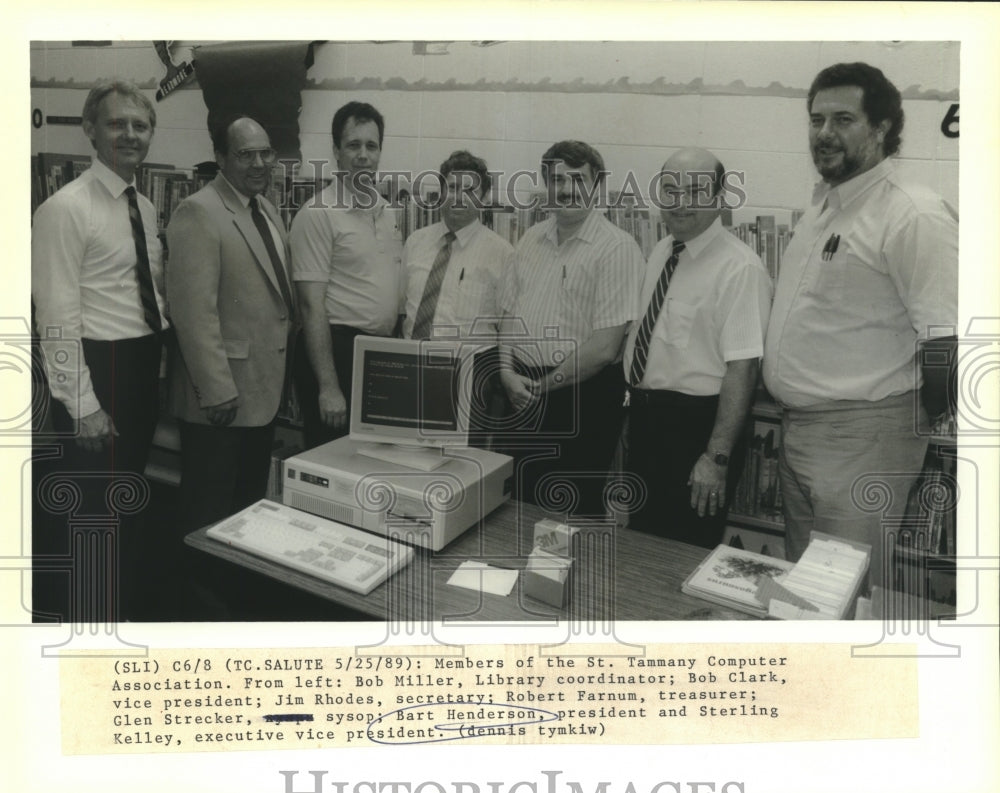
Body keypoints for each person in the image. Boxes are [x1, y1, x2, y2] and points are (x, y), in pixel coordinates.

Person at [762, 62, 958, 584]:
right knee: (808, 594)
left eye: (843, 119)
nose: (824, 134)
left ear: (882, 129)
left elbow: (946, 341)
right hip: (802, 432)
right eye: (816, 119)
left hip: (863, 438)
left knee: (847, 593)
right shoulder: (826, 207)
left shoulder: (912, 213)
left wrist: (895, 424)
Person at [31, 79, 169, 621]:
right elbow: (57, 320)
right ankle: (77, 627)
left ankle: (113, 614)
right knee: (89, 516)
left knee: (125, 506)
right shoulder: (64, 210)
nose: (130, 135)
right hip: (96, 375)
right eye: (117, 124)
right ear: (91, 130)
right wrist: (83, 406)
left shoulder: (146, 206)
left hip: (138, 371)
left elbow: (144, 292)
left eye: (140, 125)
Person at [622, 148, 772, 548]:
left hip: (697, 433)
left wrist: (716, 458)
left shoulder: (740, 269)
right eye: (670, 190)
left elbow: (743, 369)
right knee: (642, 544)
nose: (680, 202)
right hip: (647, 420)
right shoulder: (661, 251)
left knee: (683, 551)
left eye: (695, 191)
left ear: (720, 198)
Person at [498, 140, 644, 518]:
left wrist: (540, 387)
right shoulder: (531, 238)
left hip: (582, 399)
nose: (565, 189)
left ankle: (567, 579)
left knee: (568, 514)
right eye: (556, 179)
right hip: (519, 390)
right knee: (511, 503)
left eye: (577, 179)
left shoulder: (618, 248)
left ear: (597, 186)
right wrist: (505, 372)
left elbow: (606, 348)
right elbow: (508, 315)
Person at [166, 115, 295, 534]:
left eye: (265, 153)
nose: (259, 163)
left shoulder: (267, 210)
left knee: (245, 517)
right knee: (208, 517)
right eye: (245, 154)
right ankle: (200, 599)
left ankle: (232, 595)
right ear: (221, 158)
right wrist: (217, 391)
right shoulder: (199, 212)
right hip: (221, 404)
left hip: (261, 395)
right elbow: (192, 313)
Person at [290, 101, 402, 449]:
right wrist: (328, 385)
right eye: (353, 145)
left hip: (378, 353)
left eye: (371, 145)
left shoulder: (385, 211)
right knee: (332, 466)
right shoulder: (317, 214)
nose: (363, 155)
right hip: (336, 354)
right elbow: (310, 307)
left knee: (370, 461)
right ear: (336, 151)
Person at [401, 150, 513, 341]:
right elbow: (402, 310)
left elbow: (507, 329)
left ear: (484, 198)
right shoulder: (415, 242)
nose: (459, 197)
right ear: (441, 192)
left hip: (469, 365)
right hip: (412, 361)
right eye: (453, 187)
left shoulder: (503, 254)